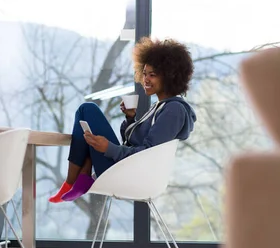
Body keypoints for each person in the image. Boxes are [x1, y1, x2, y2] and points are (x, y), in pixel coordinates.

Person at [49, 37, 196, 203]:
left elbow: (147, 153)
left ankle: (73, 181)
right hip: (127, 170)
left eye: (152, 75)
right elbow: (135, 141)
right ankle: (80, 178)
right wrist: (130, 117)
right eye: (145, 74)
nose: (146, 79)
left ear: (170, 76)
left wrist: (109, 148)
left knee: (87, 109)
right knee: (86, 116)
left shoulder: (173, 110)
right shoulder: (161, 106)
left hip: (134, 176)